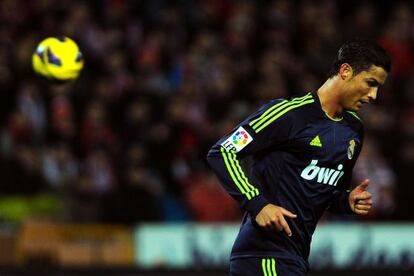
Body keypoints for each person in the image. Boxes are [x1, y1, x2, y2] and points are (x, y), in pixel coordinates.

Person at [207, 40, 391, 275]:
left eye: (378, 88)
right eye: (370, 83)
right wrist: (257, 203)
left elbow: (324, 192)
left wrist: (345, 201)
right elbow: (223, 151)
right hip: (264, 255)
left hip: (295, 258)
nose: (374, 95)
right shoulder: (288, 114)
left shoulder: (353, 131)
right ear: (346, 71)